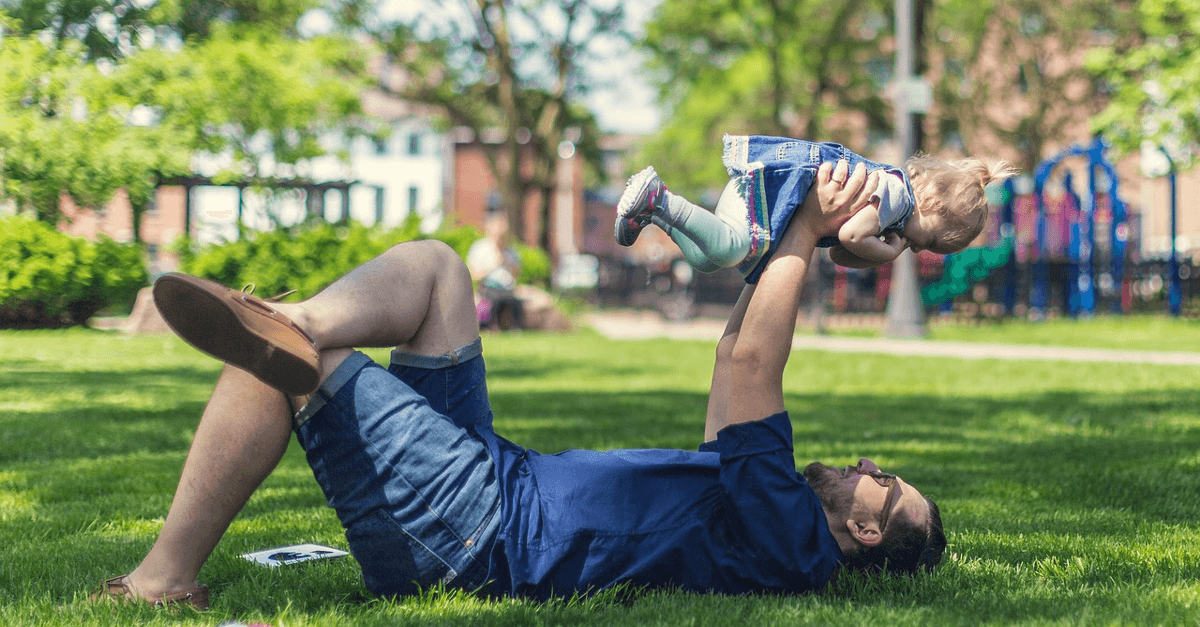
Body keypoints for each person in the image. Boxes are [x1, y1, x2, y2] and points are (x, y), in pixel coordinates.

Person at [90, 160, 944, 609]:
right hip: (494, 478)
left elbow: (760, 365)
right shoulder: (760, 507)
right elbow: (735, 358)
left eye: (884, 478)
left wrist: (805, 224)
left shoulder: (789, 540)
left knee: (293, 371)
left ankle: (165, 578)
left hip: (476, 534)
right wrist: (803, 239)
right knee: (437, 271)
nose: (868, 463)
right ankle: (300, 320)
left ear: (867, 529)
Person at [615, 133, 1018, 280]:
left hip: (761, 196)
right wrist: (890, 251)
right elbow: (850, 235)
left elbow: (844, 253)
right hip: (769, 192)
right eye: (926, 239)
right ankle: (660, 196)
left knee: (706, 260)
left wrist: (877, 253)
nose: (915, 247)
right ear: (929, 201)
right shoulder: (895, 196)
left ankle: (653, 213)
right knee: (728, 249)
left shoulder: (887, 214)